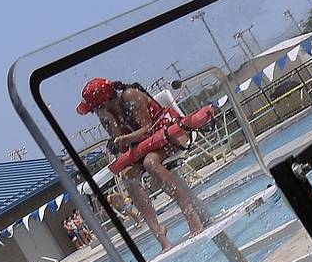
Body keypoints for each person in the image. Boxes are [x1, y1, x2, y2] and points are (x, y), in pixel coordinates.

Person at [77, 77, 211, 248]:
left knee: (150, 163)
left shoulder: (130, 96)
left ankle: (191, 215)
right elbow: (124, 147)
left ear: (103, 102)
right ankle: (159, 233)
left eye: (94, 109)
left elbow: (146, 128)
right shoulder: (107, 117)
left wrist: (125, 138)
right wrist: (111, 124)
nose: (95, 113)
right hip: (146, 146)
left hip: (171, 134)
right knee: (128, 177)